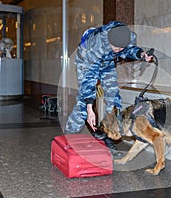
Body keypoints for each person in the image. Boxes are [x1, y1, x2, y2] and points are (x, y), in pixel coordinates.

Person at [65, 21, 153, 150]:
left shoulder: (129, 37)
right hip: (85, 61)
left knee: (113, 97)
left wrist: (141, 54)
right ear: (108, 41)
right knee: (84, 103)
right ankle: (70, 135)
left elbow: (127, 51)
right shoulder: (98, 44)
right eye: (116, 48)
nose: (118, 51)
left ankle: (108, 133)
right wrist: (90, 108)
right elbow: (89, 79)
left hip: (107, 62)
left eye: (120, 48)